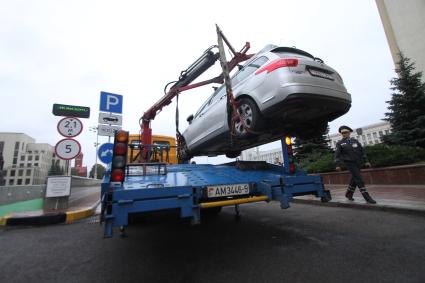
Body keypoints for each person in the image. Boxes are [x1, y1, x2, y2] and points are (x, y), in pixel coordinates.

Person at [334, 125, 377, 204]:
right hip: (349, 163)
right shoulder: (340, 143)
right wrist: (337, 165)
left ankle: (349, 194)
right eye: (342, 133)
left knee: (354, 179)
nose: (344, 134)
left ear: (349, 133)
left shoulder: (355, 141)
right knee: (359, 179)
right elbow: (337, 155)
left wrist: (366, 161)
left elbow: (362, 151)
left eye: (346, 132)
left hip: (358, 162)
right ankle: (367, 197)